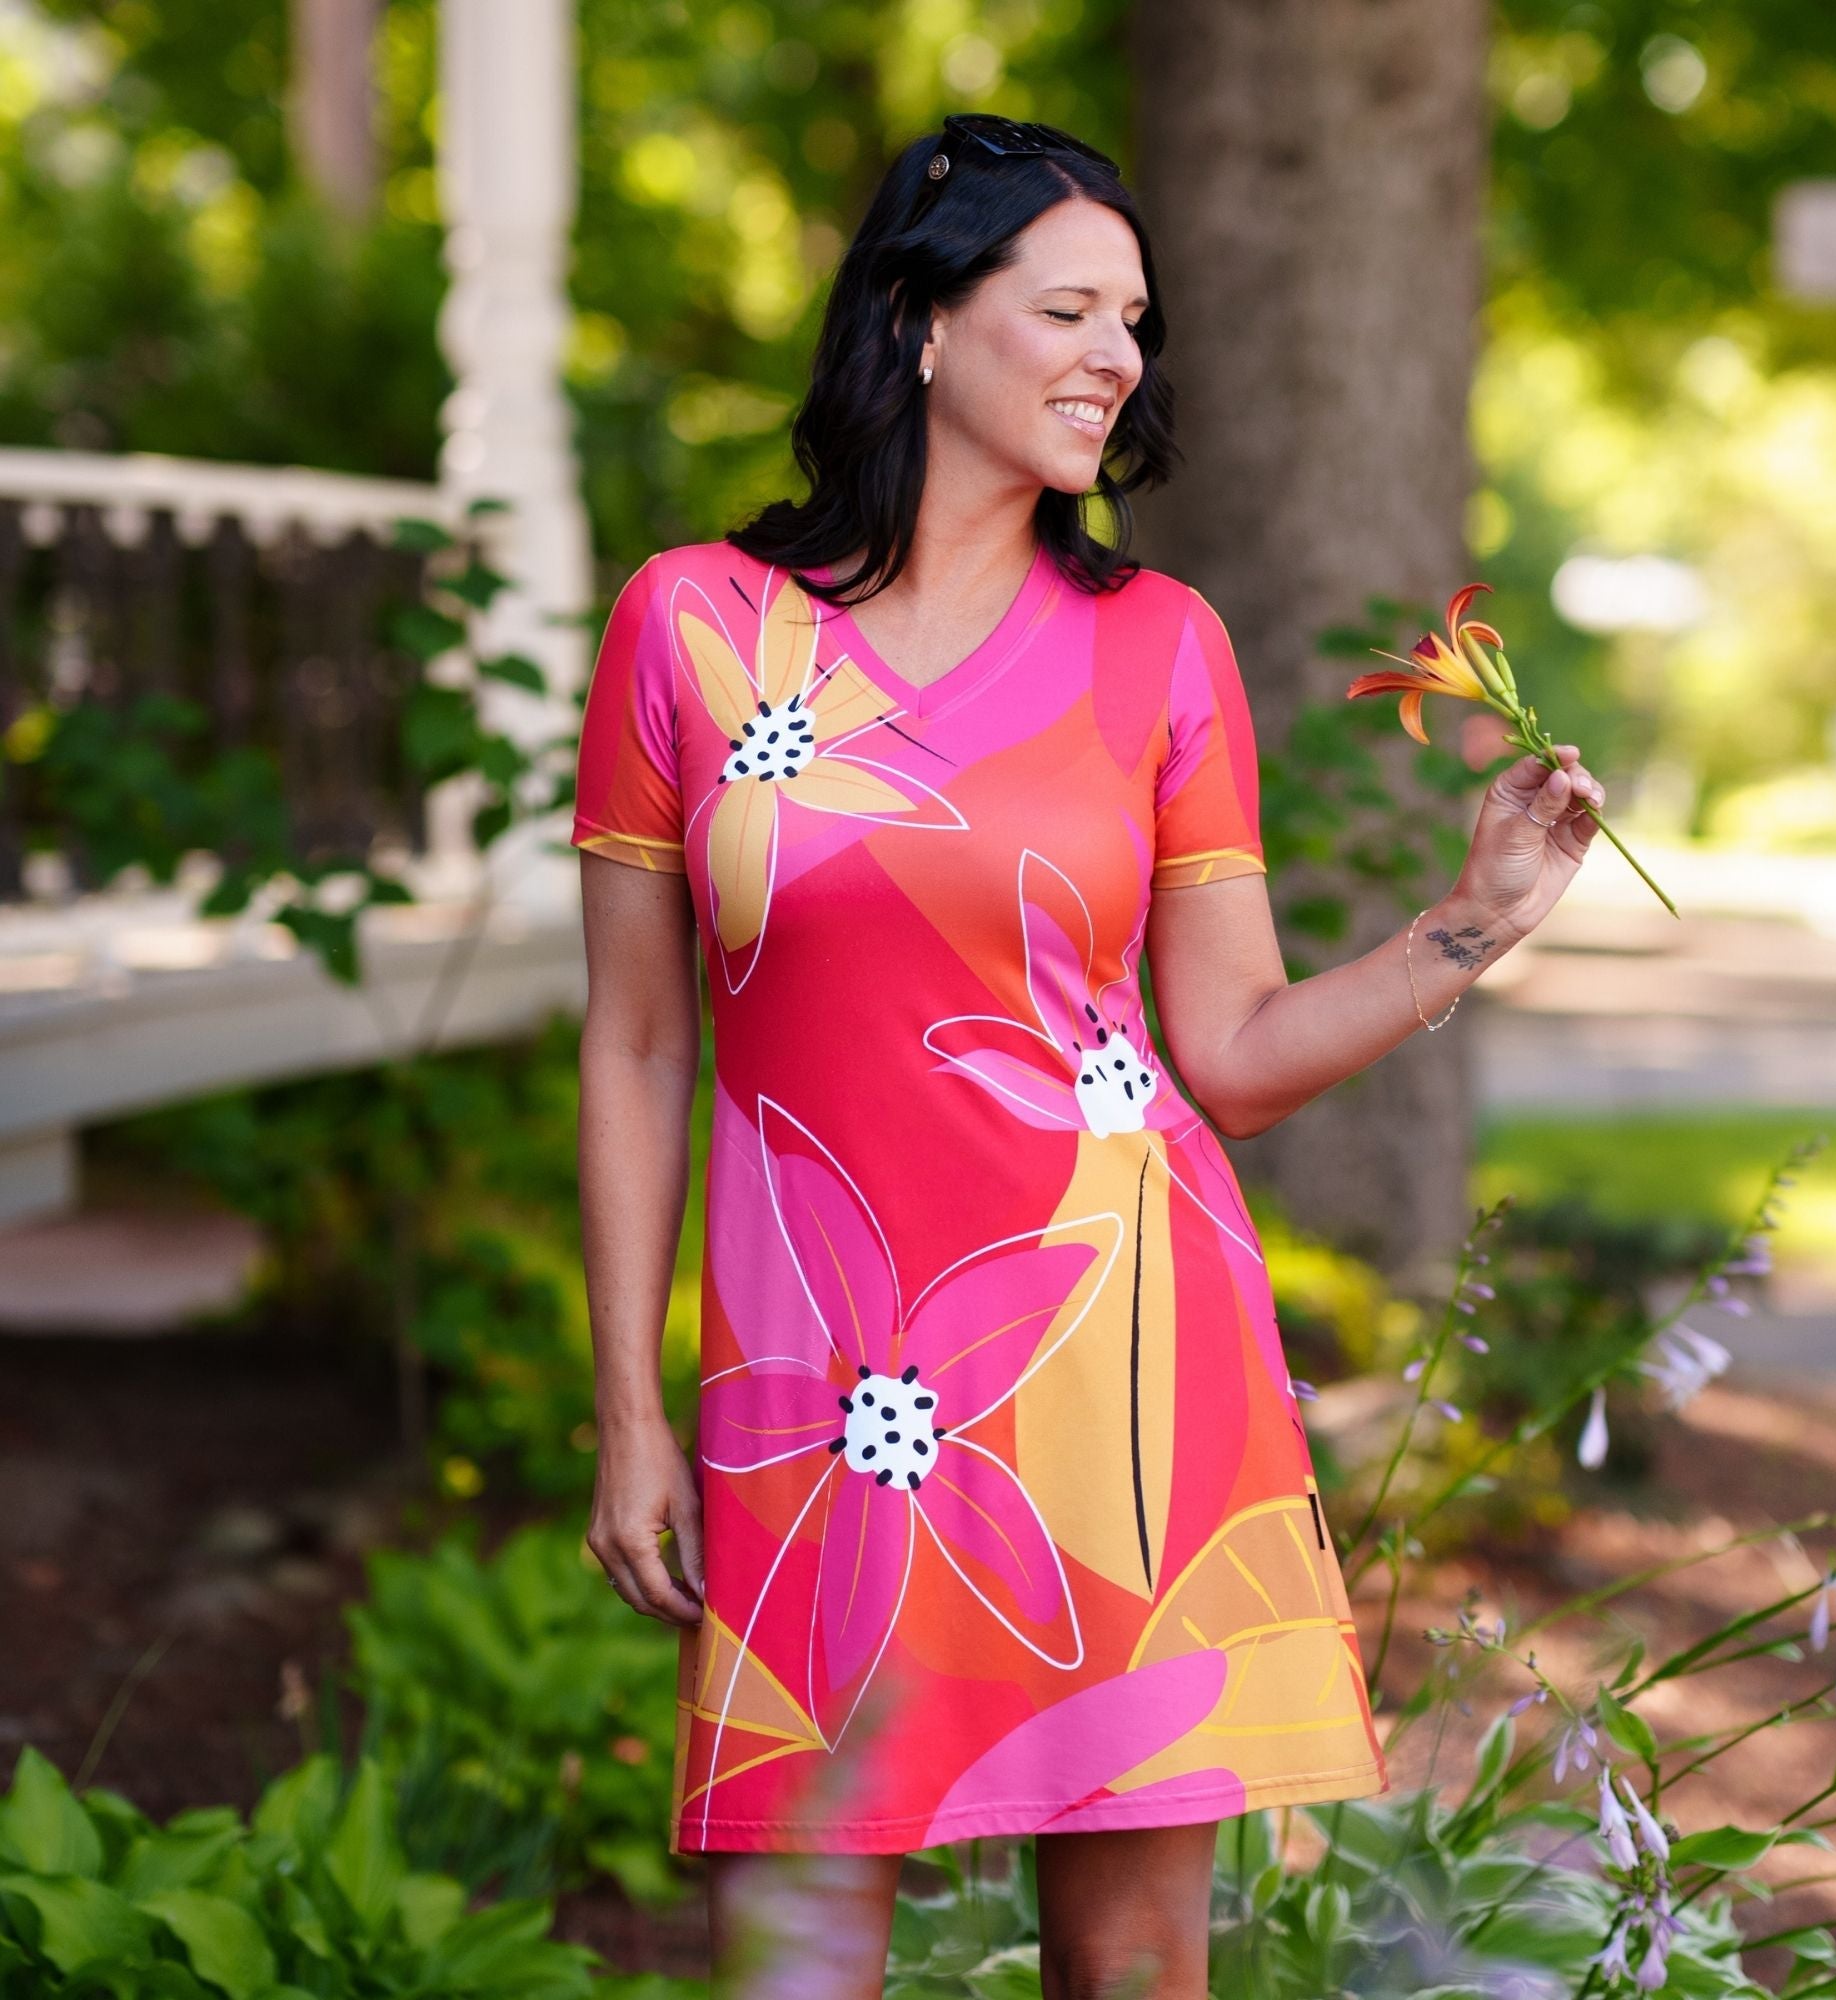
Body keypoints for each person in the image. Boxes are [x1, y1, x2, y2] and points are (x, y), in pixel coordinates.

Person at [573, 112, 1604, 2000]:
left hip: (1124, 1356)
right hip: (819, 1382)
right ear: (917, 320)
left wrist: (1478, 918)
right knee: (791, 1955)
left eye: (1133, 320)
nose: (1116, 355)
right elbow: (639, 1041)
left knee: (1130, 1968)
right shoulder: (691, 628)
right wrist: (632, 1410)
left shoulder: (1161, 646)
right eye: (1066, 309)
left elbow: (1238, 1054)